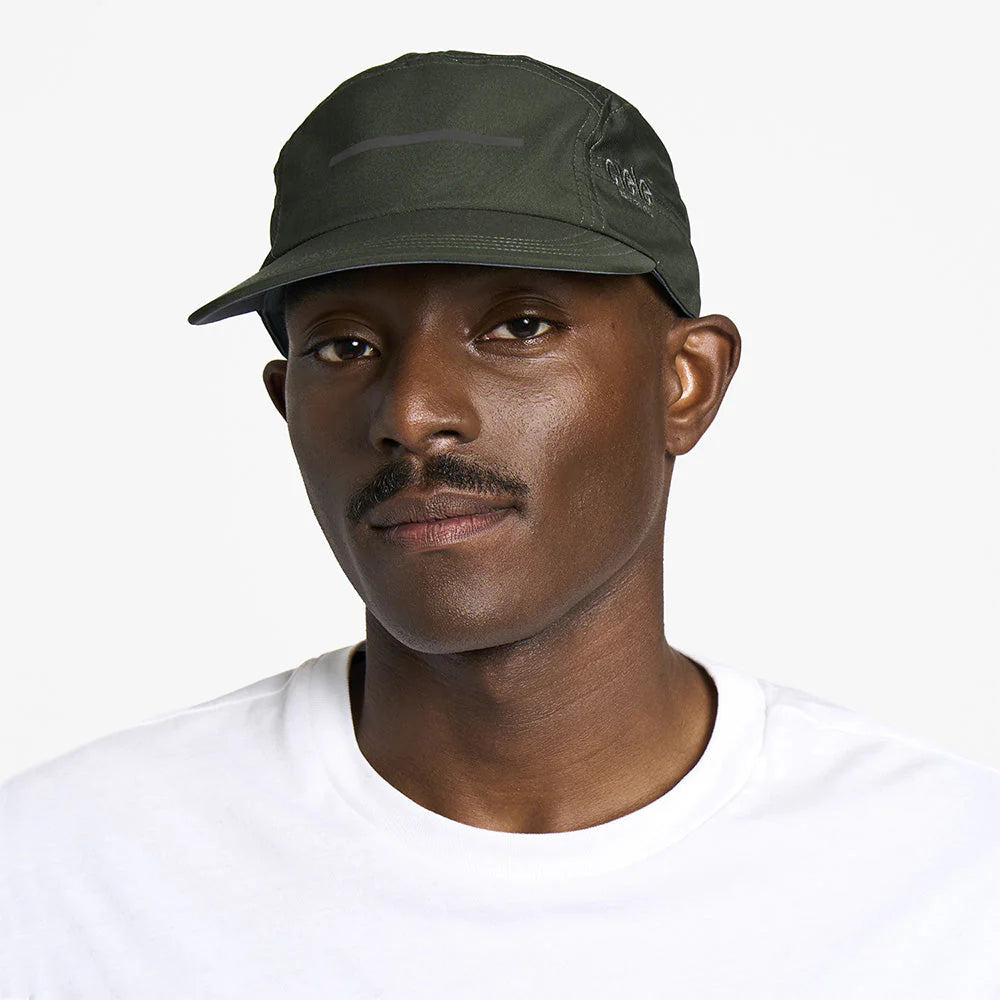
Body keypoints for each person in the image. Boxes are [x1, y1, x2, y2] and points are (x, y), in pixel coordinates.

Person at [2, 49, 998, 999]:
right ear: (283, 402)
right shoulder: (64, 875)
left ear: (685, 383)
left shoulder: (947, 879)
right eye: (344, 346)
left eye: (519, 326)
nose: (409, 412)